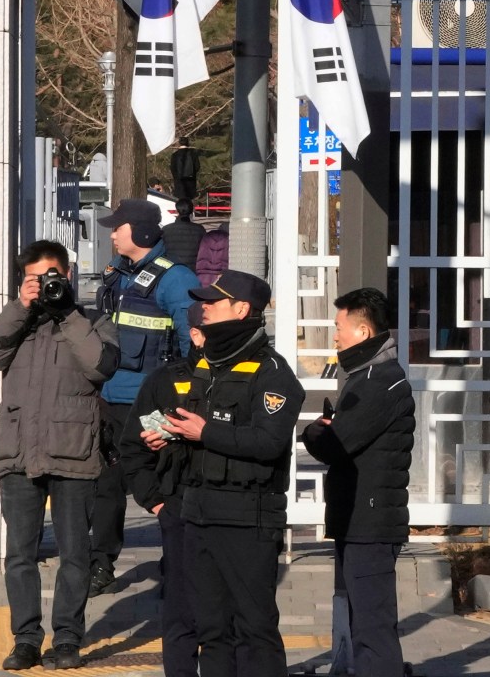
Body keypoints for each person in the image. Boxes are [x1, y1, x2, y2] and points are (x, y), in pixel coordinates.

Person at [0, 239, 114, 671]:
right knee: (20, 554)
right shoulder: (16, 322)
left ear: (68, 274)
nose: (44, 284)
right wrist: (22, 306)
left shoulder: (94, 320)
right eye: (34, 278)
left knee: (75, 553)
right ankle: (25, 640)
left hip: (73, 453)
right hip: (17, 451)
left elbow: (100, 366)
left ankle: (68, 639)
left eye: (51, 276)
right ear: (23, 281)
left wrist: (67, 312)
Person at [160, 269, 302, 677]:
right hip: (200, 512)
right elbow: (199, 427)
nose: (203, 309)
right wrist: (172, 436)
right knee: (212, 629)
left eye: (213, 302)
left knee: (254, 629)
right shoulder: (209, 364)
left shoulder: (272, 372)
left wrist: (205, 432)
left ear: (241, 310)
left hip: (247, 516)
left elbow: (268, 442)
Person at [300, 287, 413, 677]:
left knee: (373, 627)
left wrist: (314, 433)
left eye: (339, 327)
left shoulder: (380, 381)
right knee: (363, 619)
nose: (334, 336)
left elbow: (337, 444)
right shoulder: (365, 376)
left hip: (372, 520)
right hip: (358, 517)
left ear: (363, 332)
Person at [90, 199, 195, 594]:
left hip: (154, 405)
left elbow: (192, 345)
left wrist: (180, 403)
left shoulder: (175, 279)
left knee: (164, 482)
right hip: (114, 400)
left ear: (141, 231)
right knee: (107, 484)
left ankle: (177, 566)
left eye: (119, 227)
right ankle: (100, 565)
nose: (113, 233)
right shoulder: (120, 275)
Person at [120, 320, 207, 677]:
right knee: (181, 617)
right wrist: (156, 502)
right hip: (180, 511)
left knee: (232, 622)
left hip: (237, 515)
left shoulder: (257, 374)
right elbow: (133, 447)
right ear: (196, 333)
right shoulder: (167, 380)